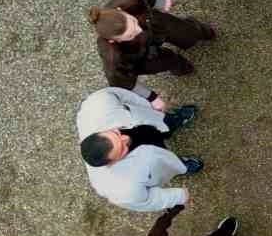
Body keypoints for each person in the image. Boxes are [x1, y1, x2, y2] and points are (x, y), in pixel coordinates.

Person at [75, 86, 203, 211]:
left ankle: (173, 121)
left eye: (116, 134)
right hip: (150, 161)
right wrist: (178, 196)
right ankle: (180, 166)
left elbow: (119, 94)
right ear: (112, 162)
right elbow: (147, 201)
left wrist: (148, 105)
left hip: (140, 123)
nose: (126, 138)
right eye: (122, 148)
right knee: (166, 162)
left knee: (161, 124)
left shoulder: (97, 105)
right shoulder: (120, 188)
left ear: (98, 133)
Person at [88, 0, 216, 98]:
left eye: (133, 22)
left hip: (152, 24)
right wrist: (151, 97)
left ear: (121, 11)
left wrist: (161, 2)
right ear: (113, 41)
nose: (138, 31)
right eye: (129, 35)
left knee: (187, 32)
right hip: (138, 55)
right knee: (166, 60)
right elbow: (122, 81)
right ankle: (181, 66)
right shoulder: (113, 57)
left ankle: (201, 31)